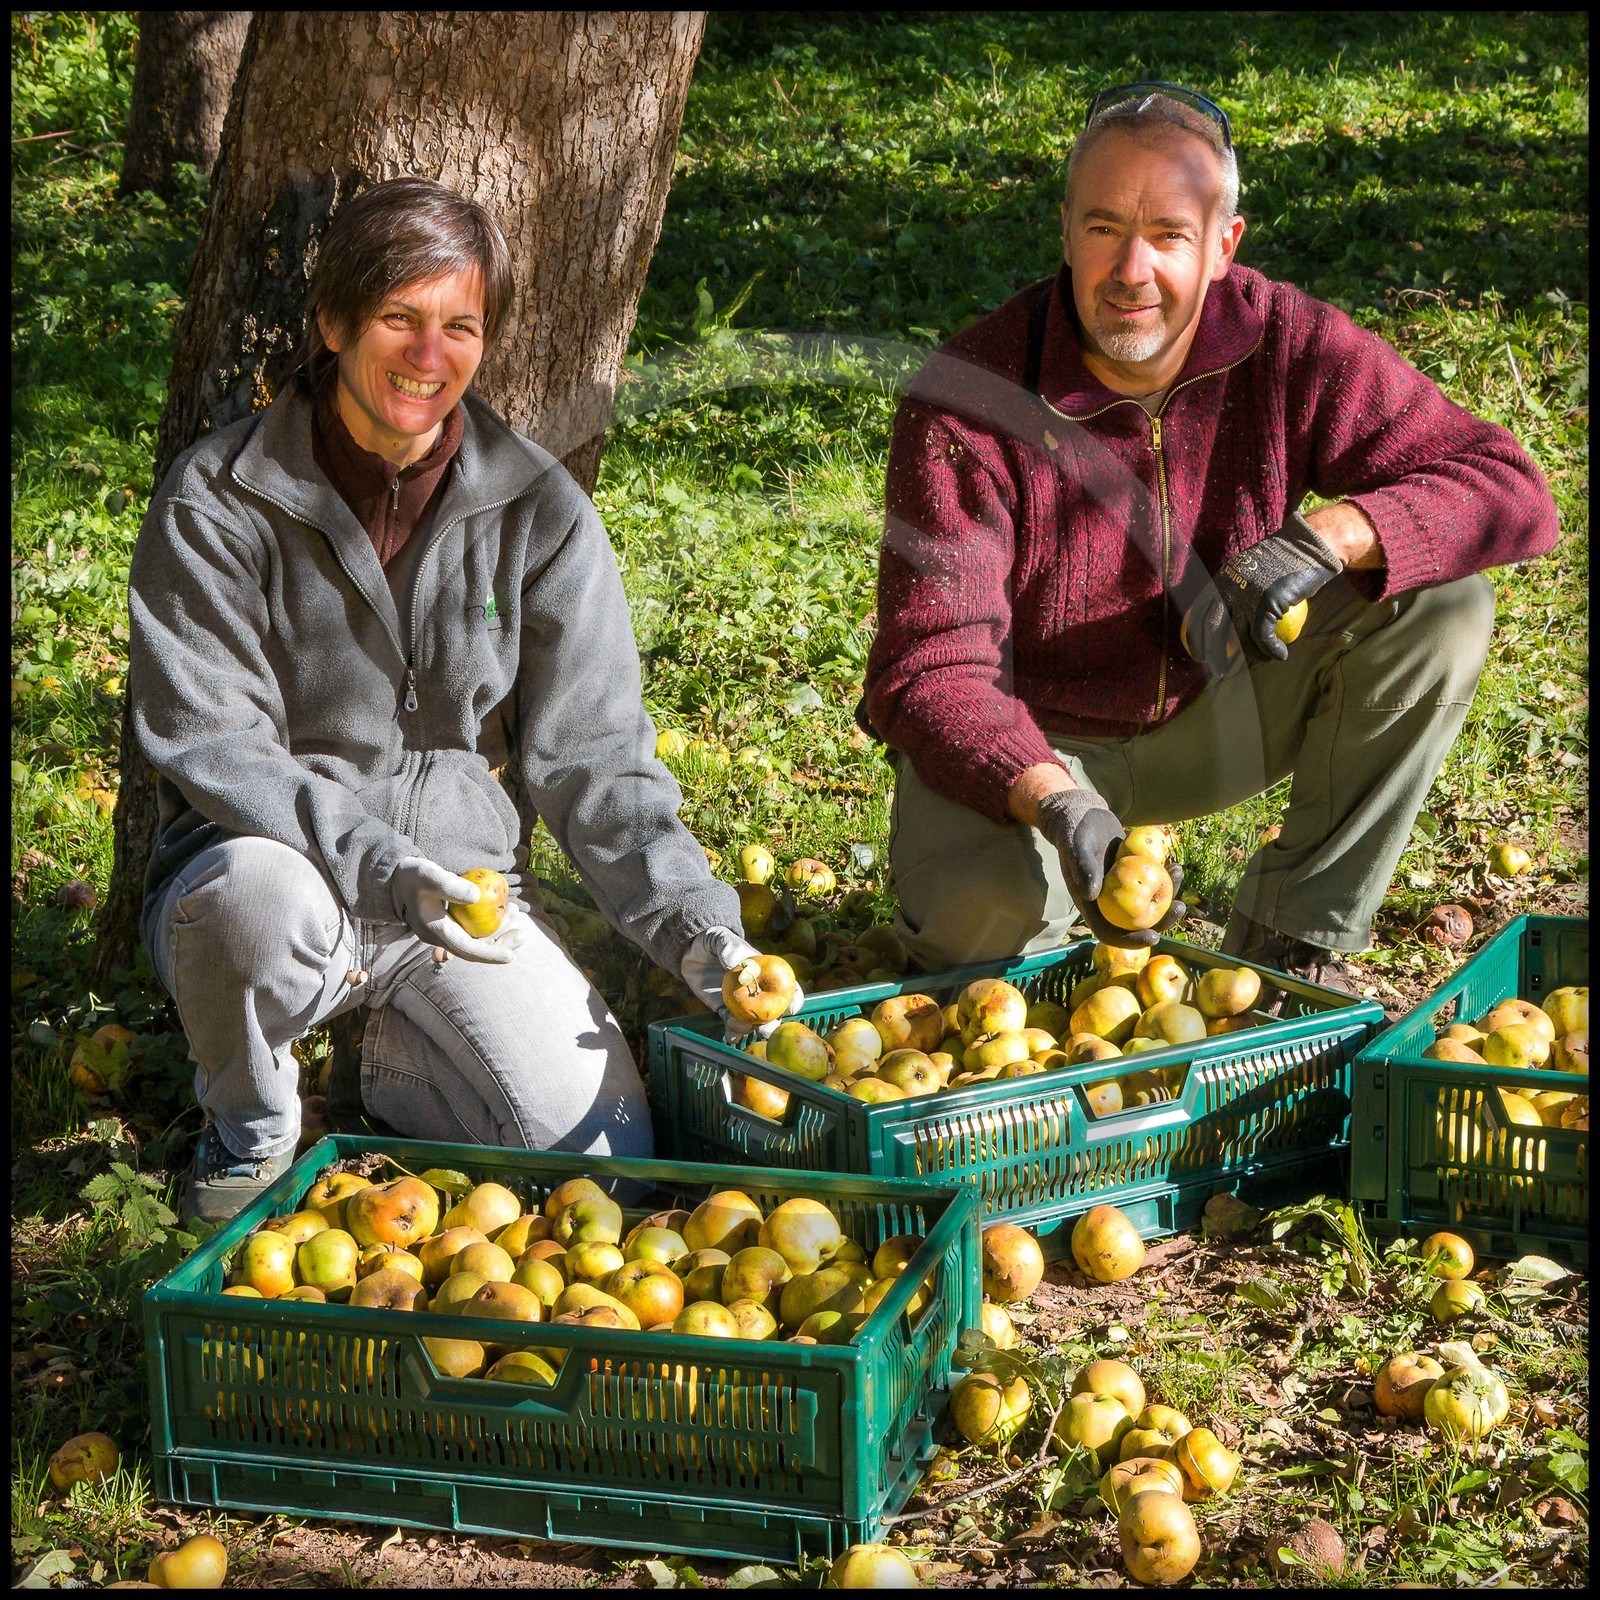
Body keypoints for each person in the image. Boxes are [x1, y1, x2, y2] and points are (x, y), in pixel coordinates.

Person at [130, 176, 789, 1224]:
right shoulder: (221, 498)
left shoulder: (536, 509)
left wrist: (704, 933)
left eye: (460, 326)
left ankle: (385, 1055)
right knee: (253, 905)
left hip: (459, 898)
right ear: (336, 322)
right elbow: (214, 741)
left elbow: (598, 756)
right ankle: (250, 1125)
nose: (428, 356)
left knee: (606, 1171)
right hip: (280, 878)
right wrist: (381, 865)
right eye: (399, 318)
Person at [861, 84, 1559, 988]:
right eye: (1105, 227)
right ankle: (1048, 935)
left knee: (1442, 601)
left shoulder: (1286, 342)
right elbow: (930, 670)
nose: (1132, 270)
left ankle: (1294, 938)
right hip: (1033, 750)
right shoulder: (968, 400)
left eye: (1170, 235)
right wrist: (1052, 794)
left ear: (1225, 245)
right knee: (985, 959)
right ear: (1066, 230)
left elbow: (1511, 489)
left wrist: (1333, 535)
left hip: (1218, 713)